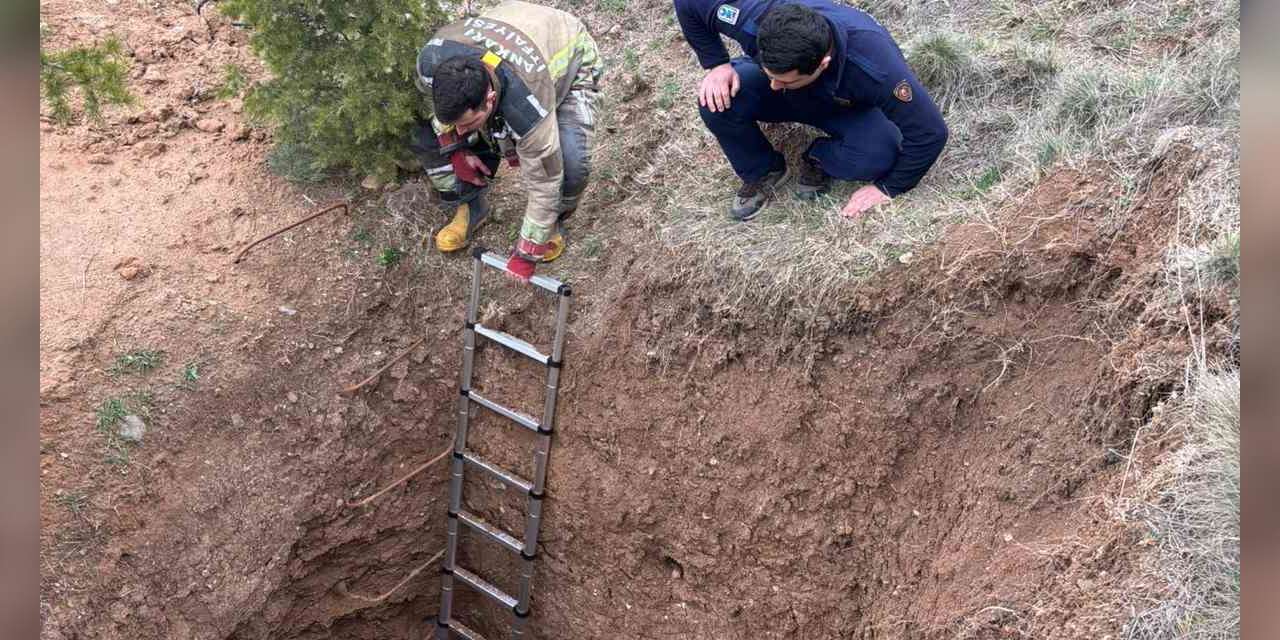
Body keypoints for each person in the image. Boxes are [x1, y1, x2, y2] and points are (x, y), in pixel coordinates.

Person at [674, 0, 948, 221]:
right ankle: (763, 171)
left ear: (823, 63)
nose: (774, 84)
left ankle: (818, 157)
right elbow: (688, 4)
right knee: (715, 99)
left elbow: (931, 132)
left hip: (843, 105)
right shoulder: (754, 15)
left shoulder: (874, 67)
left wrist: (888, 188)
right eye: (771, 73)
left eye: (784, 79)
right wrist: (717, 64)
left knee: (877, 157)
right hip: (793, 96)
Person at [410, 1, 603, 280]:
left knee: (571, 162)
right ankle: (472, 205)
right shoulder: (431, 61)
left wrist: (527, 253)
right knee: (434, 135)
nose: (462, 131)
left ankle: (551, 226)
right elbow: (439, 112)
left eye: (468, 124)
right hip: (508, 36)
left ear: (489, 100)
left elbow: (543, 182)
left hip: (568, 62)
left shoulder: (527, 106)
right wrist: (456, 149)